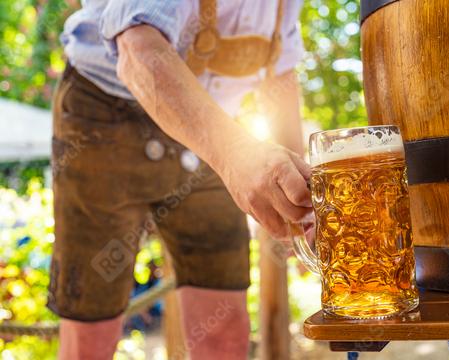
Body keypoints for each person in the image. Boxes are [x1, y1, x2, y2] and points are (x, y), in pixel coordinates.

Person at [48, 1, 311, 359]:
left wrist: (300, 203)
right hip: (105, 119)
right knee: (90, 338)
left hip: (216, 127)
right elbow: (138, 47)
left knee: (223, 335)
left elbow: (279, 72)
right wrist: (235, 157)